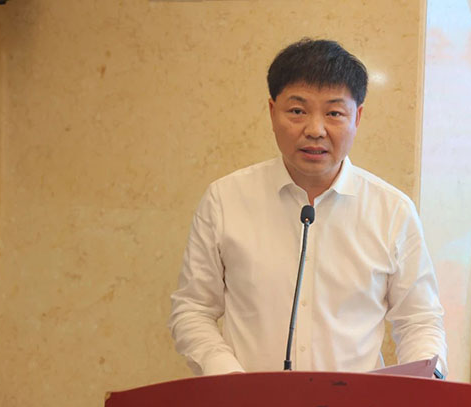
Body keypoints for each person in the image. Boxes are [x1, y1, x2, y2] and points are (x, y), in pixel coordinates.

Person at [168, 38, 448, 377]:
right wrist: (229, 380)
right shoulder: (224, 200)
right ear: (272, 112)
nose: (315, 130)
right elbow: (193, 308)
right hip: (248, 401)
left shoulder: (393, 211)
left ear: (357, 117)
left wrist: (427, 376)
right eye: (298, 111)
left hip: (357, 403)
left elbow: (419, 319)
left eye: (334, 113)